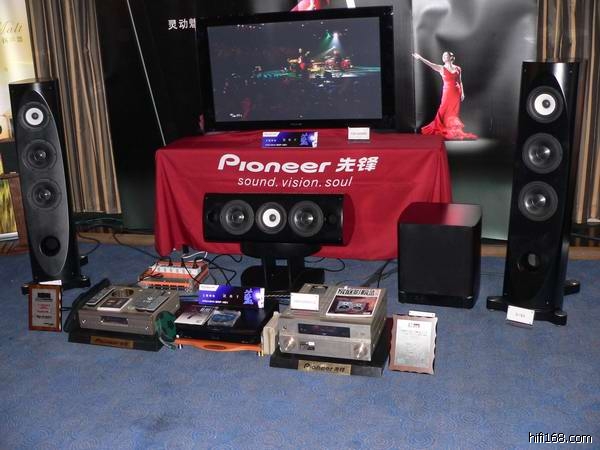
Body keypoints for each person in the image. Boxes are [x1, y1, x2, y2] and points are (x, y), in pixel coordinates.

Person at [413, 51, 477, 140]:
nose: (443, 57)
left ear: (451, 57)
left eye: (446, 55)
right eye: (443, 56)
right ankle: (442, 127)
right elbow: (430, 64)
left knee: (453, 112)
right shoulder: (441, 68)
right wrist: (420, 58)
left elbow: (460, 81)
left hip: (456, 92)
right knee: (443, 109)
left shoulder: (458, 68)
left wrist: (462, 92)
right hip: (447, 92)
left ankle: (453, 130)